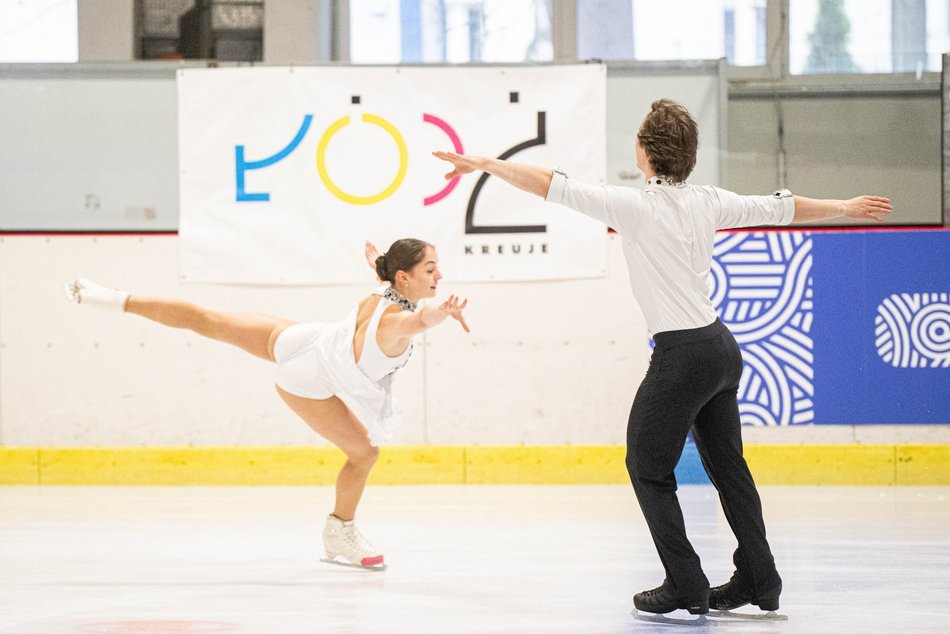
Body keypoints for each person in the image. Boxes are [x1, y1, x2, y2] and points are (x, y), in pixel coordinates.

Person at [433, 98, 891, 615]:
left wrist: (486, 164)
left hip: (682, 355)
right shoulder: (709, 200)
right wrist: (843, 207)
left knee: (646, 466)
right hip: (720, 349)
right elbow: (780, 206)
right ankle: (760, 577)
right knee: (729, 468)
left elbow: (548, 183)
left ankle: (685, 582)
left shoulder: (633, 206)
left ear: (645, 153)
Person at [64, 238, 469, 570]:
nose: (439, 275)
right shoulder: (396, 320)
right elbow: (417, 322)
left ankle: (110, 298)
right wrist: (442, 314)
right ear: (405, 277)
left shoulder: (382, 293)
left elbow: (396, 292)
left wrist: (379, 267)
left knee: (210, 319)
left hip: (305, 339)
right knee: (363, 455)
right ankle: (339, 530)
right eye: (431, 269)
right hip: (307, 379)